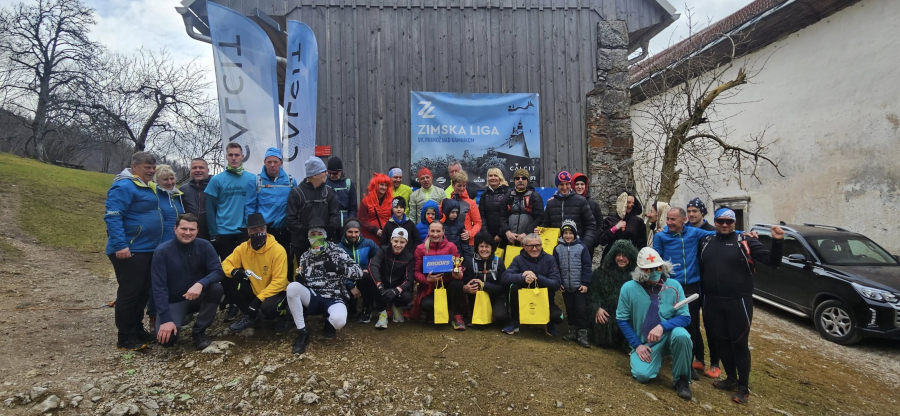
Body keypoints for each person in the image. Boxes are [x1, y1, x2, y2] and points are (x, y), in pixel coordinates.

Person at [700, 209, 784, 404]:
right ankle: (730, 378)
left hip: (738, 301)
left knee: (739, 343)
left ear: (734, 223)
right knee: (721, 341)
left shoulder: (746, 241)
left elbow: (773, 262)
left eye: (729, 221)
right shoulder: (706, 242)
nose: (724, 224)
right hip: (712, 300)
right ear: (715, 221)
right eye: (720, 221)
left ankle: (743, 387)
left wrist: (778, 241)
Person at [104, 151, 163, 350]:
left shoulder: (147, 186)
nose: (151, 171)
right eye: (147, 167)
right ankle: (126, 336)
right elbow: (113, 215)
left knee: (142, 291)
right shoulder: (124, 186)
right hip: (130, 248)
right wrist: (120, 245)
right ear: (135, 167)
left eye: (153, 168)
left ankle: (137, 329)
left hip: (147, 248)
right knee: (130, 292)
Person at [617, 247, 693, 400]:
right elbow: (622, 319)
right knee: (642, 375)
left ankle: (682, 380)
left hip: (669, 335)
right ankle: (650, 357)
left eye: (658, 267)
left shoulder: (674, 286)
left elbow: (685, 317)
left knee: (682, 335)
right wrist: (637, 345)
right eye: (649, 269)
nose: (654, 272)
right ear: (641, 270)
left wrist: (662, 327)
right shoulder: (628, 288)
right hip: (646, 342)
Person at [653, 207, 718, 378]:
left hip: (691, 286)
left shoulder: (694, 233)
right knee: (666, 318)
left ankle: (688, 364)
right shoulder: (661, 236)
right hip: (671, 285)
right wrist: (658, 282)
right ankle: (661, 352)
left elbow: (718, 233)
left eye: (673, 219)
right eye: (667, 219)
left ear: (683, 220)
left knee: (691, 325)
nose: (669, 222)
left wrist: (744, 233)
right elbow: (657, 261)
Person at [151, 214, 224, 350]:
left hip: (197, 296)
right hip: (174, 301)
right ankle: (180, 317)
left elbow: (218, 271)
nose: (188, 233)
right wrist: (166, 320)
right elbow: (158, 288)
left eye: (192, 229)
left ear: (197, 231)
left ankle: (199, 331)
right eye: (183, 229)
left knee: (216, 289)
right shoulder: (162, 251)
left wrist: (200, 284)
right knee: (167, 340)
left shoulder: (205, 246)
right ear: (175, 229)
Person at [287, 226, 363, 354]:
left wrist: (338, 268)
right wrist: (301, 279)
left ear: (325, 236)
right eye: (313, 234)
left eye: (319, 233)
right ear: (308, 237)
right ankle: (302, 332)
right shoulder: (305, 256)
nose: (316, 237)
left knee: (339, 321)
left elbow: (359, 272)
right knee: (292, 287)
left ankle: (329, 321)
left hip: (334, 296)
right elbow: (302, 276)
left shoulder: (337, 251)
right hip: (313, 296)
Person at [221, 213, 290, 334]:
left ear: (266, 230)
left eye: (262, 229)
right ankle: (250, 315)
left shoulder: (278, 250)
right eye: (254, 230)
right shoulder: (243, 248)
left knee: (268, 309)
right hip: (255, 288)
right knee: (227, 279)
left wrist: (258, 300)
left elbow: (279, 282)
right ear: (248, 233)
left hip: (276, 292)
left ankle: (284, 314)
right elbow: (224, 264)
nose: (259, 233)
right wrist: (235, 271)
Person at [245, 147, 298, 282]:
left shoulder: (291, 181)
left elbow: (296, 206)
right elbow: (250, 207)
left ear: (281, 163)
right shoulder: (256, 181)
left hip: (285, 231)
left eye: (275, 162)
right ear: (264, 162)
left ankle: (286, 289)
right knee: (265, 263)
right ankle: (265, 289)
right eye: (269, 162)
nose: (272, 165)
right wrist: (251, 229)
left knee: (285, 260)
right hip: (265, 231)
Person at [147, 164, 187, 328]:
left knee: (176, 278)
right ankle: (153, 314)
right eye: (165, 179)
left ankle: (177, 311)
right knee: (158, 281)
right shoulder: (155, 196)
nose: (170, 182)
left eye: (172, 178)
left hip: (178, 243)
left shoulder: (177, 196)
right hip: (160, 244)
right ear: (157, 181)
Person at [501, 233, 564, 336]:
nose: (534, 249)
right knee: (514, 287)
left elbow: (556, 283)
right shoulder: (518, 259)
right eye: (530, 246)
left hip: (545, 299)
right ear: (524, 247)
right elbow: (505, 277)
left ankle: (548, 322)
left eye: (537, 245)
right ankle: (515, 321)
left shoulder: (550, 259)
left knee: (557, 317)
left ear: (541, 246)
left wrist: (537, 277)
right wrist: (523, 277)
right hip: (524, 299)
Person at [205, 142, 257, 261]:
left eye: (237, 155)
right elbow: (210, 209)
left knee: (246, 265)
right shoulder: (216, 180)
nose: (234, 158)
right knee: (227, 267)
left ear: (242, 157)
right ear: (226, 156)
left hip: (245, 231)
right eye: (231, 155)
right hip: (223, 232)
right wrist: (213, 233)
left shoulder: (252, 179)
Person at [411, 222, 466, 329]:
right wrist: (426, 279)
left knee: (457, 283)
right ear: (428, 232)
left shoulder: (451, 247)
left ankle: (457, 316)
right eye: (432, 231)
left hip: (447, 286)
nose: (435, 234)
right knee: (428, 305)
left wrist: (458, 274)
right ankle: (433, 313)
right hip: (429, 288)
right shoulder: (420, 249)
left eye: (438, 231)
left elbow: (458, 266)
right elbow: (416, 272)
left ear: (443, 232)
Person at [286, 156, 341, 259]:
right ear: (315, 175)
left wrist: (324, 235)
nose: (327, 174)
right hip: (302, 246)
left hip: (325, 244)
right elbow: (291, 220)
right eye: (324, 171)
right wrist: (310, 236)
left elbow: (335, 216)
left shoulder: (329, 192)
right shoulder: (296, 193)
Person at [588, 239, 638, 349]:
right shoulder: (601, 272)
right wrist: (597, 308)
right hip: (607, 313)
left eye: (625, 256)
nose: (621, 258)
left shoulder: (636, 276)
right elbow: (593, 293)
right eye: (619, 255)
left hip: (627, 315)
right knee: (602, 326)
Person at [368, 228, 416, 329]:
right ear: (391, 240)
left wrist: (396, 290)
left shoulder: (409, 257)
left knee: (406, 296)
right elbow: (373, 265)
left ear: (406, 242)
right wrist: (379, 284)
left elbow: (409, 279)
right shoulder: (383, 250)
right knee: (371, 279)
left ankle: (396, 307)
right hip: (383, 284)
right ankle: (382, 312)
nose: (398, 245)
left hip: (397, 288)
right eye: (396, 241)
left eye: (402, 242)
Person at [554, 220, 592, 348]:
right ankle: (572, 330)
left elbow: (587, 267)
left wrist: (585, 283)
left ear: (575, 234)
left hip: (579, 287)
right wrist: (559, 282)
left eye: (570, 233)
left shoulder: (582, 248)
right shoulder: (557, 249)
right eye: (565, 233)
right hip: (566, 287)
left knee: (581, 310)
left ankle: (582, 334)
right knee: (569, 309)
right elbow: (555, 268)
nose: (568, 236)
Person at [539, 171, 597, 251]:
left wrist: (585, 245)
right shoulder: (551, 203)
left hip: (577, 247)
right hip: (556, 248)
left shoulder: (581, 201)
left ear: (570, 184)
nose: (565, 187)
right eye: (561, 184)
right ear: (557, 185)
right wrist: (540, 230)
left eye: (567, 184)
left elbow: (591, 225)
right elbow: (546, 224)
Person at [462, 233, 509, 326]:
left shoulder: (499, 262)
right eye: (481, 246)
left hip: (496, 296)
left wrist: (484, 285)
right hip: (477, 297)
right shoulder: (470, 262)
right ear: (477, 248)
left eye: (487, 246)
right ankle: (472, 313)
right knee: (473, 284)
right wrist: (466, 288)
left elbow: (502, 287)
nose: (484, 249)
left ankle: (496, 312)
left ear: (492, 248)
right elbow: (466, 282)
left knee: (500, 317)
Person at [336, 219, 379, 323]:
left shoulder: (369, 243)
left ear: (360, 232)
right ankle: (351, 308)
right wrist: (351, 286)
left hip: (363, 277)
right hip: (346, 279)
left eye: (356, 232)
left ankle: (367, 308)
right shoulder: (338, 248)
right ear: (345, 232)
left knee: (366, 278)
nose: (353, 235)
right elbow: (336, 271)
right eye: (350, 232)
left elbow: (379, 259)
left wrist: (368, 268)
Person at [598, 191, 647, 258]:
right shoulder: (609, 220)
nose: (631, 205)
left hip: (629, 258)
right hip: (611, 257)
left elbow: (642, 245)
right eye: (628, 202)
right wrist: (614, 228)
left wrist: (634, 257)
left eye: (633, 203)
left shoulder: (638, 222)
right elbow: (602, 241)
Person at [505, 169, 544, 246]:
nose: (520, 180)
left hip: (529, 240)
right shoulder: (508, 196)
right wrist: (507, 232)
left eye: (523, 178)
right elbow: (502, 216)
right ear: (514, 181)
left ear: (527, 181)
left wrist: (526, 233)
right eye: (517, 178)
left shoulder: (535, 196)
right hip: (510, 238)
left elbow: (539, 218)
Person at [446, 170, 482, 252]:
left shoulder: (471, 203)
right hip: (450, 243)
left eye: (464, 186)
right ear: (453, 185)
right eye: (459, 185)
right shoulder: (447, 202)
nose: (462, 188)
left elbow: (478, 223)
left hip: (467, 243)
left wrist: (470, 233)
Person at [572, 172, 604, 252]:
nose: (580, 187)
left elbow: (600, 225)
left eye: (582, 184)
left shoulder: (593, 204)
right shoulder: (568, 203)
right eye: (577, 184)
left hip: (587, 247)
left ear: (585, 186)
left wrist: (592, 241)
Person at [478, 168, 510, 247]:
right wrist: (486, 234)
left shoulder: (508, 193)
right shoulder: (484, 195)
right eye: (490, 176)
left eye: (495, 175)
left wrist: (501, 234)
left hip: (505, 236)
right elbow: (482, 216)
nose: (493, 178)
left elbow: (508, 215)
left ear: (500, 177)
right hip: (489, 236)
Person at [179, 158, 210, 239]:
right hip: (189, 234)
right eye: (194, 168)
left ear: (208, 170)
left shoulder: (215, 187)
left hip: (212, 234)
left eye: (201, 168)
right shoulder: (183, 190)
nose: (197, 170)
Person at [358, 173, 393, 243]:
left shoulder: (391, 201)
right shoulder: (366, 201)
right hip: (370, 237)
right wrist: (375, 230)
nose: (384, 187)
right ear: (375, 185)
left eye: (386, 185)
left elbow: (394, 218)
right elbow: (362, 220)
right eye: (382, 184)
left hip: (387, 237)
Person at [325, 157, 358, 227]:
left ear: (341, 171)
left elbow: (353, 207)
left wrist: (349, 223)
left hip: (345, 223)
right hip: (329, 223)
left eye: (335, 173)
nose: (332, 175)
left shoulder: (348, 184)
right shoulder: (324, 184)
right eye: (329, 173)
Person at [440, 198, 471, 263]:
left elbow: (465, 245)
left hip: (457, 257)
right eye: (452, 212)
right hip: (443, 258)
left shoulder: (460, 225)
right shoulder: (440, 225)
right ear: (446, 212)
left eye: (456, 212)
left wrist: (467, 262)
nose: (455, 215)